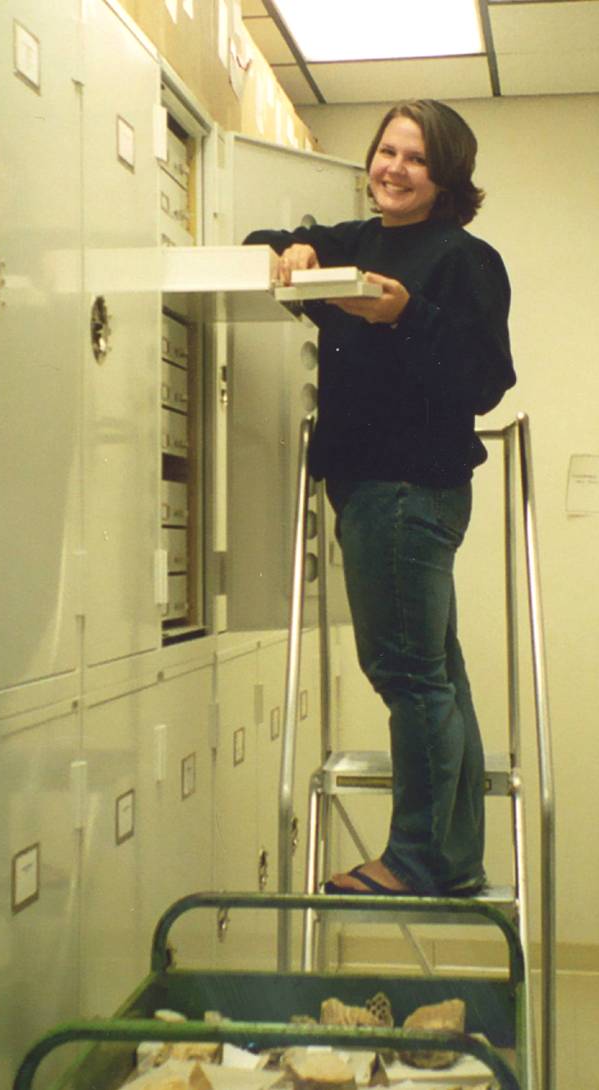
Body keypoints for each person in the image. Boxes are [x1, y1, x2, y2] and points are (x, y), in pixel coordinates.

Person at [244, 99, 516, 897]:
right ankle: (450, 859)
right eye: (386, 151)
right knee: (434, 677)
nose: (394, 169)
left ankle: (418, 860)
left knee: (407, 676)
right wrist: (289, 248)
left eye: (416, 158)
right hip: (369, 486)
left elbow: (486, 380)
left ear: (446, 176)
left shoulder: (465, 258)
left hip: (408, 491)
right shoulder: (356, 241)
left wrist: (406, 315)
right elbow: (259, 244)